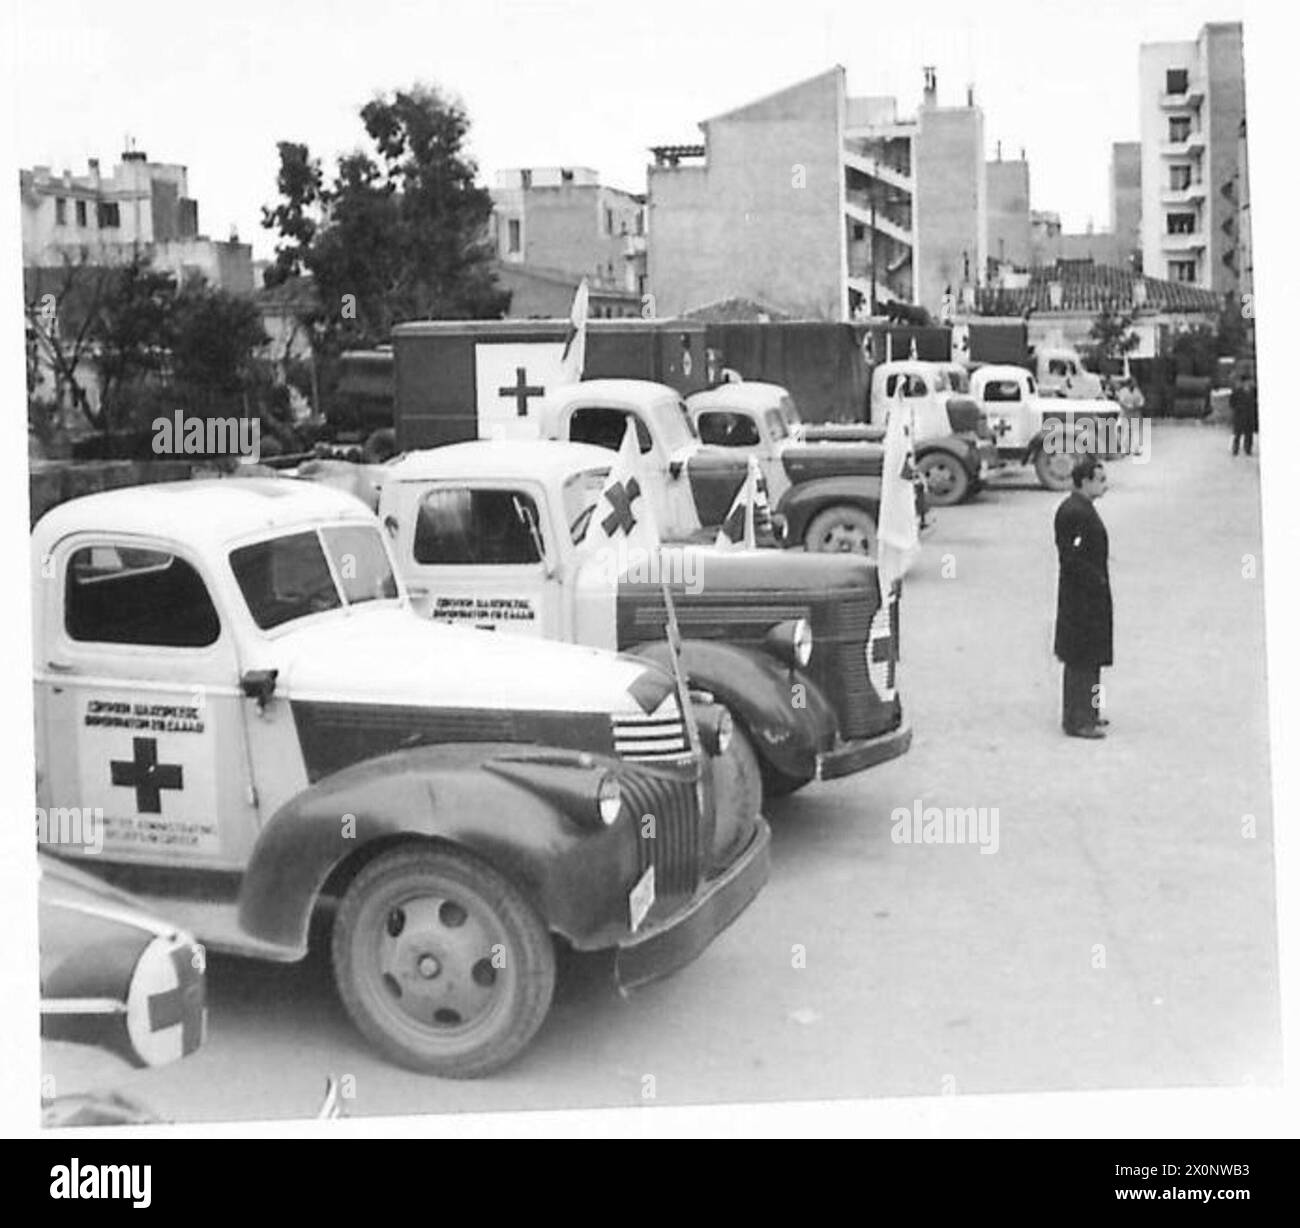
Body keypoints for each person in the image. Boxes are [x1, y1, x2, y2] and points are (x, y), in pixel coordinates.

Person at [1054, 457, 1112, 739]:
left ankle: (1091, 711)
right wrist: (1095, 581)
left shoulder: (1085, 508)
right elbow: (1072, 558)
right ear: (1085, 482)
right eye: (1100, 480)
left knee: (1093, 659)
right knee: (1080, 659)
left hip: (1092, 596)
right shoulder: (1073, 512)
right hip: (1080, 599)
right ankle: (1077, 720)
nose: (1105, 486)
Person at [1229, 376, 1258, 456]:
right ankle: (1235, 449)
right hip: (1239, 416)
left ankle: (1248, 449)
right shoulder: (1237, 391)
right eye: (1247, 382)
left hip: (1249, 416)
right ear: (1243, 383)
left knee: (1249, 434)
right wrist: (1237, 409)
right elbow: (1231, 402)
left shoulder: (1254, 392)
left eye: (1250, 382)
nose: (1248, 384)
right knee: (1237, 434)